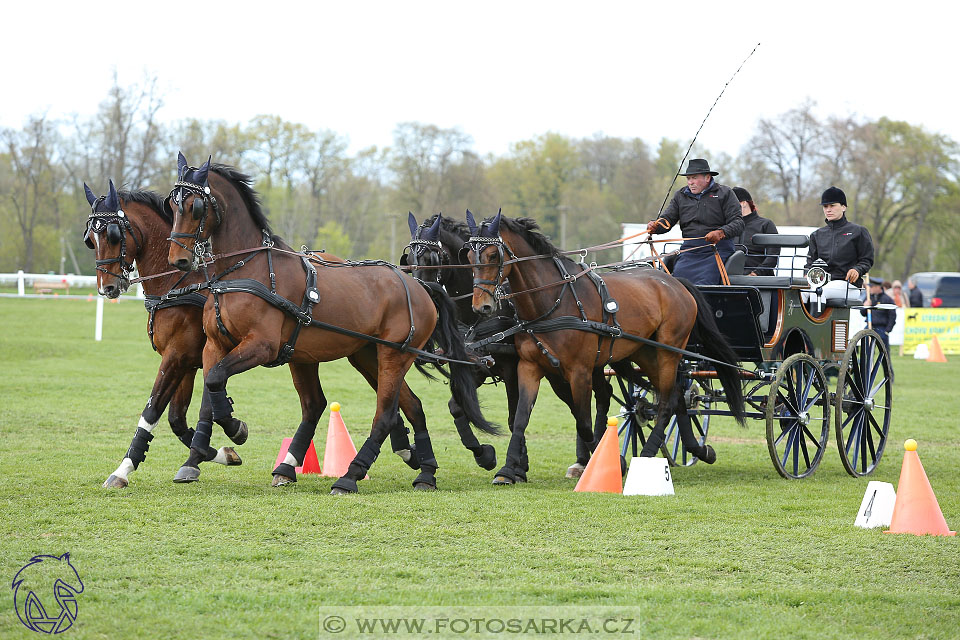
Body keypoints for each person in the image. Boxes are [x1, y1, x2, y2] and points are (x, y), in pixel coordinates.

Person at [645, 158, 744, 285]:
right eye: (688, 179)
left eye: (694, 178)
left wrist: (720, 233)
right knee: (678, 285)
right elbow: (667, 219)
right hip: (689, 251)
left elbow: (738, 223)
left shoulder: (725, 193)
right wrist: (656, 226)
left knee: (705, 282)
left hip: (717, 250)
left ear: (707, 178)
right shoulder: (680, 196)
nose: (690, 182)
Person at [804, 187, 874, 296]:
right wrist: (806, 276)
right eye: (825, 206)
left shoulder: (858, 231)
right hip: (821, 283)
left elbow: (867, 259)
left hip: (848, 285)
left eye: (832, 206)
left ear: (843, 207)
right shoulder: (816, 235)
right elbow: (810, 263)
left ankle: (816, 312)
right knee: (799, 293)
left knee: (818, 293)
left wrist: (857, 270)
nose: (828, 209)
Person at [732, 186, 778, 276]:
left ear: (743, 203)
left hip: (758, 278)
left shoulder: (766, 224)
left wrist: (756, 273)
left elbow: (772, 256)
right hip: (730, 276)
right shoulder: (729, 226)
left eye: (731, 204)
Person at [861, 277, 896, 354]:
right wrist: (865, 306)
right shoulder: (868, 298)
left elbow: (892, 316)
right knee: (867, 353)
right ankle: (868, 366)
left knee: (884, 354)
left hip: (882, 329)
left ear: (877, 287)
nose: (870, 289)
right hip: (869, 327)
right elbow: (863, 313)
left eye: (871, 287)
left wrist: (887, 330)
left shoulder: (887, 299)